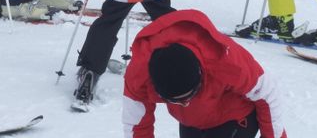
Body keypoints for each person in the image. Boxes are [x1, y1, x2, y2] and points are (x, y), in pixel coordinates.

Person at [123, 9, 287, 138]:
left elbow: (267, 94)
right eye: (175, 100)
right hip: (193, 120)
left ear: (201, 74)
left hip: (235, 116)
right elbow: (137, 124)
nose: (185, 103)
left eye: (189, 95)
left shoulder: (226, 62)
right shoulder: (138, 75)